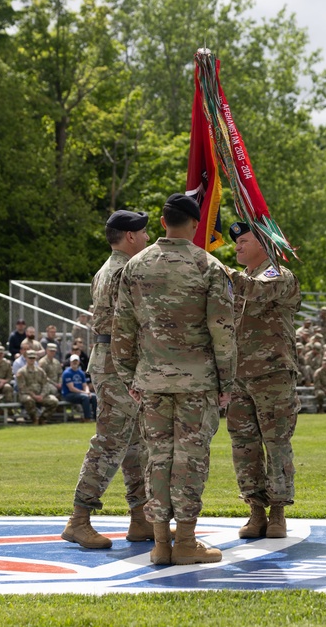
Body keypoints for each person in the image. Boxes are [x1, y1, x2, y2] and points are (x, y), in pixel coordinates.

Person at [113, 193, 235, 565]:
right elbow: (223, 331)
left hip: (151, 381)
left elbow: (122, 328)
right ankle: (184, 541)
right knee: (190, 459)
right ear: (196, 225)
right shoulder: (209, 266)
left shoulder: (136, 266)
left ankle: (160, 545)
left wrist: (129, 375)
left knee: (158, 459)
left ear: (164, 222)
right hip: (197, 383)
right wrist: (226, 383)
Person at [62, 209, 152, 550]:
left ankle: (140, 518)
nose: (147, 239)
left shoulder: (107, 268)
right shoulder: (124, 271)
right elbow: (134, 323)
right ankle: (79, 519)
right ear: (130, 236)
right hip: (118, 363)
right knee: (111, 442)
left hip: (112, 360)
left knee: (134, 445)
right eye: (142, 233)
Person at [225, 220, 302, 539]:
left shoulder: (278, 275)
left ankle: (278, 513)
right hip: (238, 376)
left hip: (272, 375)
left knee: (276, 443)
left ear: (263, 242)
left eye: (243, 240)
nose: (237, 246)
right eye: (236, 242)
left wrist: (217, 269)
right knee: (244, 445)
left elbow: (256, 291)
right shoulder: (238, 280)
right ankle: (256, 511)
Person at [16, 349, 59, 425]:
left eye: (33, 358)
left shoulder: (40, 371)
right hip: (28, 395)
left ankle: (43, 418)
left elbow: (45, 385)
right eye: (30, 358)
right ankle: (34, 419)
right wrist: (34, 396)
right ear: (26, 358)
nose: (32, 359)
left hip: (40, 395)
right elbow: (22, 387)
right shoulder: (21, 372)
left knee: (54, 401)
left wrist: (42, 395)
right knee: (28, 400)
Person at [62, 355, 97, 420]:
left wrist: (87, 391)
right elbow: (71, 388)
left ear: (78, 362)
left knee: (94, 396)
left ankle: (96, 418)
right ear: (70, 362)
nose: (74, 363)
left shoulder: (81, 373)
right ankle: (87, 418)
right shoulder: (67, 373)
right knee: (85, 397)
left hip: (80, 393)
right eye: (73, 361)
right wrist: (84, 392)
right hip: (69, 394)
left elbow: (85, 385)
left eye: (76, 361)